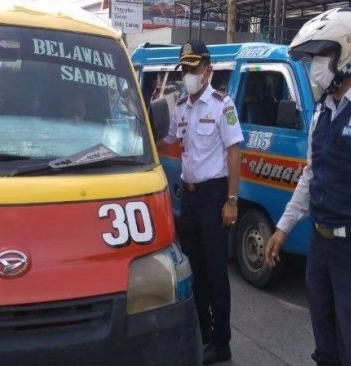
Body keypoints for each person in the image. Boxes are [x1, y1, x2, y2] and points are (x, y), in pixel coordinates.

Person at [264, 8, 351, 366]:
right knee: (326, 347)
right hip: (321, 245)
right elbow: (312, 175)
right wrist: (283, 227)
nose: (315, 66)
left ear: (346, 51)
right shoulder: (323, 110)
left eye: (321, 56)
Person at [156, 40, 243, 365]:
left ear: (207, 70)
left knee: (216, 272)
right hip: (189, 199)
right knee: (194, 269)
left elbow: (235, 152)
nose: (188, 74)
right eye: (185, 69)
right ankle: (204, 332)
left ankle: (222, 342)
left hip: (214, 197)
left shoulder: (222, 105)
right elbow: (165, 137)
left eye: (194, 68)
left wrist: (231, 200)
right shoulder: (182, 106)